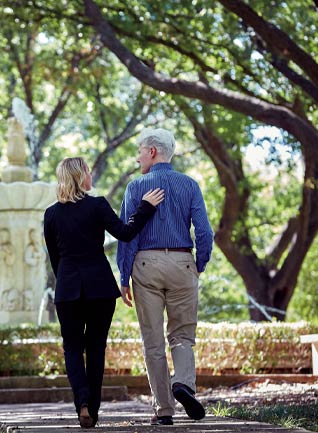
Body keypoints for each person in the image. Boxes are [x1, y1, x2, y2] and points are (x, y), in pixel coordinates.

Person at [43, 157, 165, 428]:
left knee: (72, 349)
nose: (90, 176)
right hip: (99, 288)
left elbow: (54, 259)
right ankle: (93, 413)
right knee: (96, 349)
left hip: (68, 290)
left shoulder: (51, 214)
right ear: (79, 176)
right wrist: (146, 206)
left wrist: (66, 279)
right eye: (87, 171)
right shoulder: (97, 205)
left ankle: (82, 403)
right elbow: (125, 232)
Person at [117, 128, 214, 426]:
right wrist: (198, 262)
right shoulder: (189, 184)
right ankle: (183, 383)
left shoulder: (136, 187)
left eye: (139, 151)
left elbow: (127, 236)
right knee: (183, 335)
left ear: (153, 152)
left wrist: (124, 276)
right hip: (183, 261)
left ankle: (164, 411)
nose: (137, 157)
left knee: (153, 341)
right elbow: (204, 231)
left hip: (146, 264)